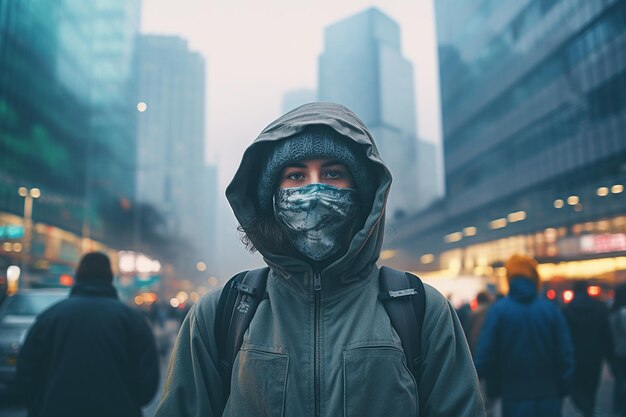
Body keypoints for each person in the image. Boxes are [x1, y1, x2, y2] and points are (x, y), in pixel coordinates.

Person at [156, 102, 484, 417]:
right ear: (272, 196)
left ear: (364, 194)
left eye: (332, 174)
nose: (314, 192)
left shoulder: (421, 310)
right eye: (296, 176)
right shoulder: (222, 312)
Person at [16, 252, 160, 417]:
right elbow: (147, 379)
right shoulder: (132, 320)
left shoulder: (50, 317)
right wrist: (128, 402)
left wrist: (40, 407)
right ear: (110, 278)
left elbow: (27, 373)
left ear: (78, 276)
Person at [474, 254, 574, 417]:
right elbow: (566, 353)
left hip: (512, 396)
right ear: (535, 278)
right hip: (549, 395)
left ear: (509, 278)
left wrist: (492, 389)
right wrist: (562, 386)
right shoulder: (551, 310)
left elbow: (485, 355)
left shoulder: (499, 311)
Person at [562, 280, 613, 417]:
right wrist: (610, 356)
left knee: (576, 388)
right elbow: (606, 334)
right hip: (595, 357)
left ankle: (585, 409)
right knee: (591, 389)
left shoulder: (566, 310)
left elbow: (563, 336)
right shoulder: (600, 308)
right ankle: (589, 410)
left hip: (575, 357)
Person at [610, 283, 626, 416]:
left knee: (619, 381)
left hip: (617, 352)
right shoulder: (623, 313)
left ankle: (618, 408)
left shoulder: (613, 312)